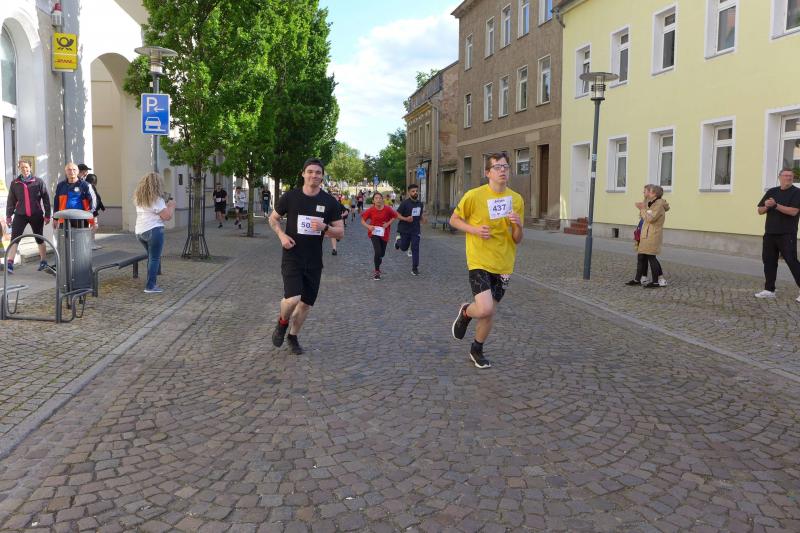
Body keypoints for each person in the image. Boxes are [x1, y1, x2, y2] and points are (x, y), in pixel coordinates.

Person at [449, 152, 524, 369]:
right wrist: (474, 230)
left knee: (490, 311)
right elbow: (454, 220)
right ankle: (466, 311)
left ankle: (477, 349)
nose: (503, 171)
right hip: (479, 260)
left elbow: (517, 239)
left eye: (506, 167)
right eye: (497, 167)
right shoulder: (474, 196)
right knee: (484, 308)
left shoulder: (516, 199)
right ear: (488, 173)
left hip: (504, 263)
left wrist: (518, 225)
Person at [269, 158, 344, 355]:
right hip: (292, 256)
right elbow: (273, 219)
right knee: (292, 298)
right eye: (310, 171)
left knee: (305, 304)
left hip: (314, 260)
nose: (314, 175)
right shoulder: (290, 197)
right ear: (303, 174)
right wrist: (282, 235)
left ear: (322, 176)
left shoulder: (330, 202)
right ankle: (282, 323)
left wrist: (325, 227)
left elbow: (340, 232)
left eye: (318, 172)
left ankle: (293, 337)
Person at [755, 168, 800, 300]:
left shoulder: (797, 192)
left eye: (791, 176)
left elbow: (793, 211)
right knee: (769, 261)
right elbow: (760, 211)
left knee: (792, 261)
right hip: (770, 233)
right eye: (786, 175)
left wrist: (775, 205)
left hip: (787, 234)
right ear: (779, 177)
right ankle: (769, 290)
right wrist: (767, 206)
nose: (788, 178)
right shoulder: (772, 191)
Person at [4, 160, 51, 273]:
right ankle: (10, 263)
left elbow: (46, 198)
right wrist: (8, 216)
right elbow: (11, 200)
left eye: (26, 167)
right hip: (20, 214)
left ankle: (43, 261)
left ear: (30, 167)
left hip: (36, 214)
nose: (24, 169)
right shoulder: (15, 183)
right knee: (15, 238)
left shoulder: (38, 182)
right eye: (22, 167)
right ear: (19, 168)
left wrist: (47, 215)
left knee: (39, 237)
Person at [133, 172, 175, 294]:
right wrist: (171, 206)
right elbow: (167, 216)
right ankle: (150, 286)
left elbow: (155, 212)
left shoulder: (139, 198)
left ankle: (151, 282)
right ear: (157, 184)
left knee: (152, 257)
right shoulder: (157, 199)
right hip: (154, 230)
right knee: (154, 258)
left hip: (140, 231)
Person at [625, 184, 670, 288]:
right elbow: (645, 217)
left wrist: (642, 209)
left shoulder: (658, 204)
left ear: (654, 194)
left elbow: (650, 218)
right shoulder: (652, 203)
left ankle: (655, 282)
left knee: (651, 257)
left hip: (652, 234)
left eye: (648, 191)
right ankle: (638, 279)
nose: (646, 193)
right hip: (646, 232)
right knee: (641, 256)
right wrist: (643, 208)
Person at [361, 191, 398, 280]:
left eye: (380, 198)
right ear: (373, 201)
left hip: (384, 234)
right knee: (377, 252)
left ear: (382, 200)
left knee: (382, 253)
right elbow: (362, 221)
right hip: (374, 233)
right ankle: (377, 271)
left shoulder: (387, 209)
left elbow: (395, 216)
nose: (378, 200)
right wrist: (369, 226)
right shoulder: (370, 210)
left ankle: (379, 259)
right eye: (376, 198)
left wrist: (388, 223)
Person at [53, 162, 95, 229]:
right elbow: (56, 202)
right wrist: (55, 219)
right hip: (64, 218)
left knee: (80, 236)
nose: (72, 172)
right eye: (69, 170)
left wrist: (93, 219)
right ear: (66, 172)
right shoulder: (61, 185)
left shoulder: (85, 185)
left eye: (74, 169)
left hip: (81, 218)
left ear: (78, 171)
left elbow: (93, 202)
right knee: (64, 236)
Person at [395, 183, 425, 276]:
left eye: (416, 191)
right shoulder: (404, 203)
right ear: (409, 193)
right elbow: (396, 215)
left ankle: (414, 268)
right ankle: (398, 242)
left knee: (415, 248)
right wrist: (405, 219)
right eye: (413, 191)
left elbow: (420, 216)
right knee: (404, 247)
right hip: (405, 229)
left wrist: (423, 219)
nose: (415, 193)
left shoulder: (420, 204)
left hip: (415, 230)